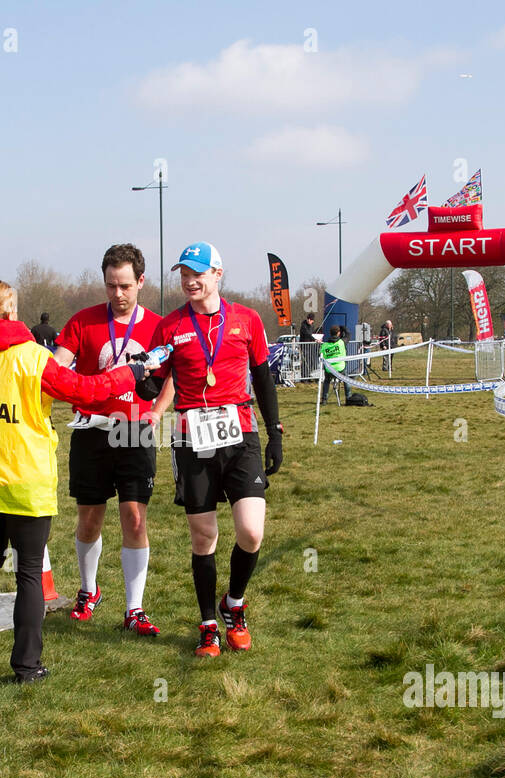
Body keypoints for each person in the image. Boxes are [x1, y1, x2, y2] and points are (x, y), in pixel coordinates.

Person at [0, 278, 149, 684]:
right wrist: (129, 374)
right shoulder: (31, 358)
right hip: (24, 480)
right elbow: (86, 391)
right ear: (11, 313)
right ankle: (26, 665)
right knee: (30, 570)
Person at [136, 242, 283, 657]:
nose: (189, 281)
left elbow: (264, 379)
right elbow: (155, 382)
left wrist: (275, 433)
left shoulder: (247, 320)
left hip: (240, 436)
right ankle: (207, 625)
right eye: (183, 273)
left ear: (218, 274)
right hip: (191, 439)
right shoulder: (169, 327)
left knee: (251, 532)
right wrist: (142, 378)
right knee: (204, 536)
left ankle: (233, 603)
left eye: (197, 273)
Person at [52, 243, 173, 635]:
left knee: (134, 518)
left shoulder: (158, 326)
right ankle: (89, 591)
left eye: (124, 286)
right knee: (89, 519)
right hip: (91, 430)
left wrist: (157, 412)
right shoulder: (83, 322)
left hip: (134, 430)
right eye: (110, 286)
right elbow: (58, 366)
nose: (117, 295)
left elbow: (173, 374)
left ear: (141, 281)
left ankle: (134, 609)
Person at [318, 325, 352, 405]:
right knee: (346, 380)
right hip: (340, 369)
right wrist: (342, 327)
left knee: (326, 381)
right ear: (338, 333)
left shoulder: (324, 345)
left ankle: (324, 400)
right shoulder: (341, 343)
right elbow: (348, 335)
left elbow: (320, 355)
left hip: (329, 369)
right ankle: (348, 398)